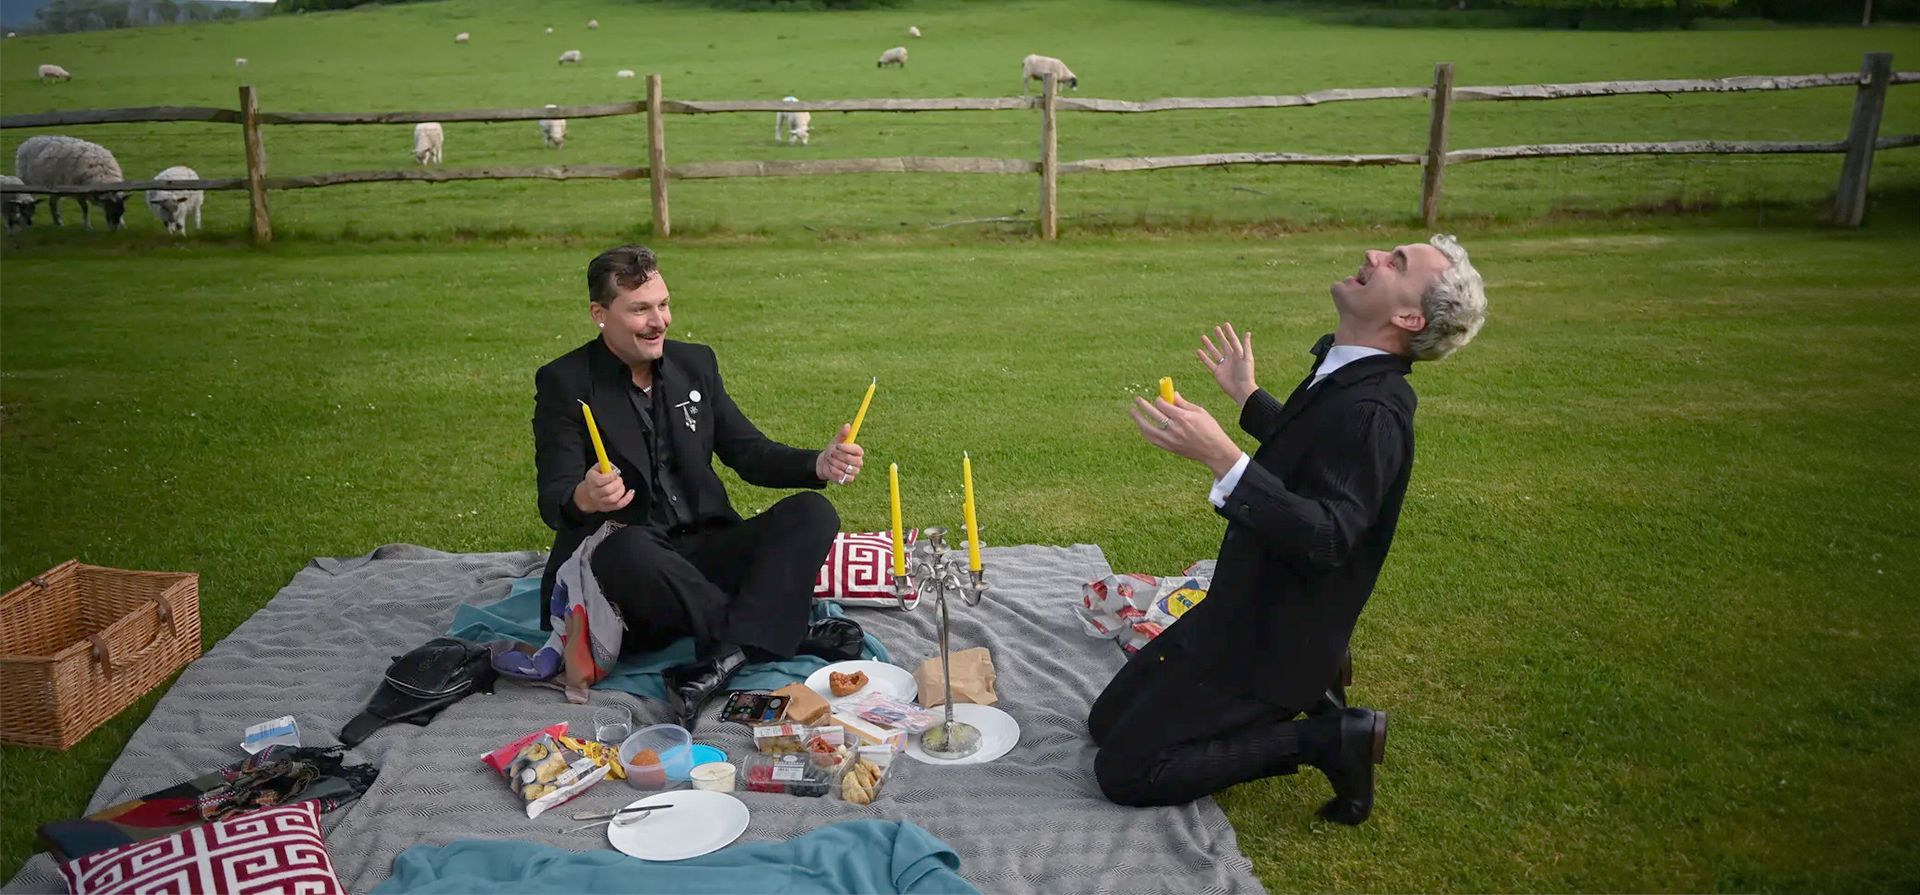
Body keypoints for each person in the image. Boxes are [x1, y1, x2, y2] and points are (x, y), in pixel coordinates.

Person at [1090, 234, 1487, 824]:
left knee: (1123, 771)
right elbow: (1313, 454)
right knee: (1104, 724)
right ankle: (1323, 679)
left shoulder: (1374, 412)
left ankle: (1327, 739)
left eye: (1397, 263)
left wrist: (1224, 458)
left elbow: (1328, 537)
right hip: (1239, 612)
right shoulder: (1350, 372)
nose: (1376, 254)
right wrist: (1248, 398)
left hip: (1272, 645)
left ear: (1408, 316)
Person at [532, 245, 867, 728]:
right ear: (599, 315)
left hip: (706, 553)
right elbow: (553, 496)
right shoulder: (564, 382)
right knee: (626, 547)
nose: (659, 321)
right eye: (640, 309)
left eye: (663, 304)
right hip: (631, 579)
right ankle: (776, 630)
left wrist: (819, 462)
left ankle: (720, 657)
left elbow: (749, 452)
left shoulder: (696, 365)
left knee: (812, 513)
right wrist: (584, 496)